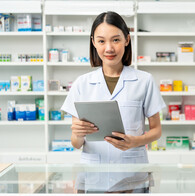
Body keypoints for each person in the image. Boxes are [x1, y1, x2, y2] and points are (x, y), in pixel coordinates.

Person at [61, 11, 166, 167]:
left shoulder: (144, 81)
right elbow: (76, 144)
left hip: (132, 170)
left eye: (115, 40)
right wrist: (78, 134)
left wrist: (135, 141)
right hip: (94, 173)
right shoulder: (82, 84)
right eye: (101, 41)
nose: (109, 48)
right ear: (94, 42)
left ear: (126, 40)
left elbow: (156, 130)